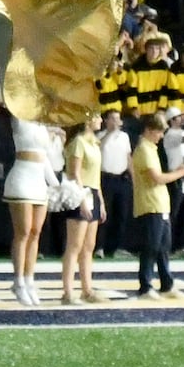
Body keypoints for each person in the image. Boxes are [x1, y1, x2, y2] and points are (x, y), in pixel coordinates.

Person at [1, 106, 60, 306]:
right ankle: (17, 281)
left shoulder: (43, 126)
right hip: (21, 178)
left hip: (39, 180)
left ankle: (29, 280)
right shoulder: (19, 117)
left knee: (35, 233)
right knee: (23, 232)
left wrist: (58, 186)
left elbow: (45, 160)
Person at [58, 109, 110, 304]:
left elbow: (95, 176)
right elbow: (74, 173)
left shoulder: (95, 143)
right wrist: (82, 199)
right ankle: (68, 292)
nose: (100, 120)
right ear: (87, 120)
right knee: (74, 245)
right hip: (81, 192)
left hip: (93, 191)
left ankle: (87, 289)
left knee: (89, 246)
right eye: (97, 116)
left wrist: (101, 201)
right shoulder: (78, 142)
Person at [125, 112, 177, 297]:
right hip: (150, 205)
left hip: (160, 204)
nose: (161, 136)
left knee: (163, 247)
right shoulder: (144, 150)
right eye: (159, 132)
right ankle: (145, 285)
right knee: (150, 246)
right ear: (149, 130)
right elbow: (156, 178)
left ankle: (166, 284)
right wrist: (181, 172)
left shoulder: (151, 149)